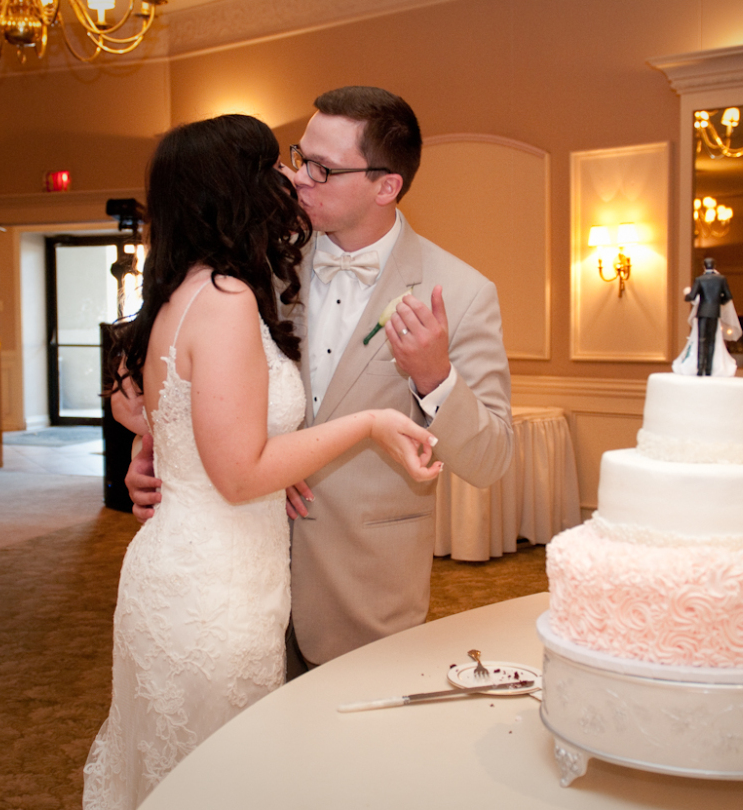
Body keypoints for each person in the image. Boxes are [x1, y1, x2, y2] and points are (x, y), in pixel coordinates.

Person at [84, 114, 442, 809]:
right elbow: (240, 472)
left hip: (201, 569)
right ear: (236, 186)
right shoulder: (224, 299)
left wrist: (151, 447)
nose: (289, 176)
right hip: (211, 590)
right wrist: (368, 423)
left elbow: (180, 418)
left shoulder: (187, 290)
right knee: (217, 779)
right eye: (273, 163)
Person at [122, 87, 514, 674]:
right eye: (300, 156)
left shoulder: (461, 292)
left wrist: (436, 379)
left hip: (364, 592)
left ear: (386, 186)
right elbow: (169, 366)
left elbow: (491, 460)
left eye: (322, 169)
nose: (300, 178)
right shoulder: (259, 262)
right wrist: (155, 452)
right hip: (239, 580)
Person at [683, 257, 735, 376]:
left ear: (704, 266)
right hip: (714, 312)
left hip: (702, 312)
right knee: (711, 341)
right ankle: (709, 369)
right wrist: (718, 302)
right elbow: (728, 296)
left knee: (701, 340)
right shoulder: (721, 279)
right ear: (714, 266)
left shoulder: (700, 279)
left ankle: (700, 368)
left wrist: (686, 295)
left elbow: (692, 296)